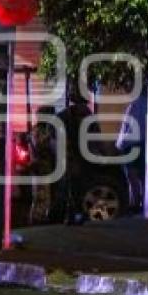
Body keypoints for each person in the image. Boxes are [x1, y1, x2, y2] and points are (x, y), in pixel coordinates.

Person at [56, 86, 100, 225]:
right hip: (81, 157)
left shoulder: (65, 115)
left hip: (73, 156)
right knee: (79, 186)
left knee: (72, 186)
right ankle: (77, 213)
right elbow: (96, 138)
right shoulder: (88, 116)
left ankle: (72, 213)